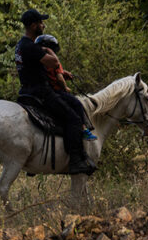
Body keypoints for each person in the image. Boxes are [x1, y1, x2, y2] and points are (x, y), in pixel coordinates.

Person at [15, 9, 95, 175]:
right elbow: (52, 63)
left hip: (26, 91)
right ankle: (76, 160)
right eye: (40, 23)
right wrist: (53, 55)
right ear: (32, 25)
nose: (43, 26)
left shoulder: (20, 46)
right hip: (41, 93)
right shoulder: (31, 46)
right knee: (73, 118)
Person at [34, 33, 97, 141]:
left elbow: (53, 74)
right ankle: (84, 129)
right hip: (56, 91)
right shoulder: (55, 61)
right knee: (77, 104)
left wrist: (63, 73)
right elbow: (59, 78)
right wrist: (65, 88)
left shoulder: (39, 61)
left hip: (44, 90)